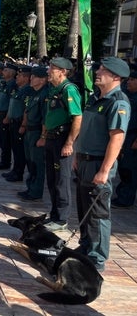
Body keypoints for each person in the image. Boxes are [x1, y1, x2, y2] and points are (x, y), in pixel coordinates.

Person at [74, 57, 130, 272]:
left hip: (99, 164)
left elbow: (116, 138)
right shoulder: (95, 99)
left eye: (104, 70)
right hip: (85, 161)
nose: (98, 72)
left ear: (116, 77)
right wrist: (77, 158)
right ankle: (85, 247)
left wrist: (105, 170)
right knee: (84, 210)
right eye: (99, 68)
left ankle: (96, 260)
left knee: (98, 214)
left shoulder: (118, 103)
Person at [39, 57, 82, 232]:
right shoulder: (54, 89)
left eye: (52, 68)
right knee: (51, 179)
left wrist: (69, 143)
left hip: (62, 139)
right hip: (51, 138)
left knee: (61, 181)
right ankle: (55, 214)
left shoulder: (69, 90)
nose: (49, 71)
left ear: (63, 71)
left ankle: (62, 218)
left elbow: (77, 117)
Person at [18, 66, 49, 201]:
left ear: (42, 80)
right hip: (30, 131)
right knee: (30, 161)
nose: (31, 79)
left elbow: (45, 118)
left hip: (37, 132)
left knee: (37, 163)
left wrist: (43, 137)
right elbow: (27, 110)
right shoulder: (34, 92)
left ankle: (36, 191)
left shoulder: (45, 94)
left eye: (35, 77)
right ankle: (30, 187)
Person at [2, 65, 33, 182]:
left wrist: (23, 125)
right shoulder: (19, 89)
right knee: (15, 148)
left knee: (20, 150)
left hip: (19, 123)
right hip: (13, 122)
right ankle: (15, 170)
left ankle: (18, 172)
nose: (17, 77)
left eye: (19, 75)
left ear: (26, 78)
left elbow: (26, 109)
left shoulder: (27, 90)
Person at [113, 69, 137, 208]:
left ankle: (126, 199)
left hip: (133, 137)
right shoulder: (126, 95)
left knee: (130, 169)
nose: (129, 82)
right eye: (129, 80)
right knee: (123, 167)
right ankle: (122, 194)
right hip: (125, 134)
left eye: (133, 80)